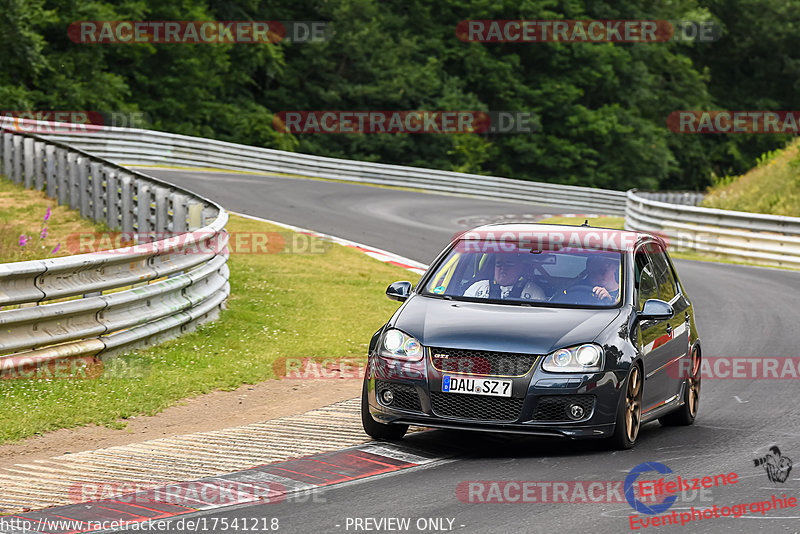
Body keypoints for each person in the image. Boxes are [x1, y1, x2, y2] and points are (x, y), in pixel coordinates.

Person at [464, 253, 545, 301]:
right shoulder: (476, 288)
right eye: (499, 264)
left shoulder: (534, 292)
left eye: (509, 264)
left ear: (520, 268)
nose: (503, 268)